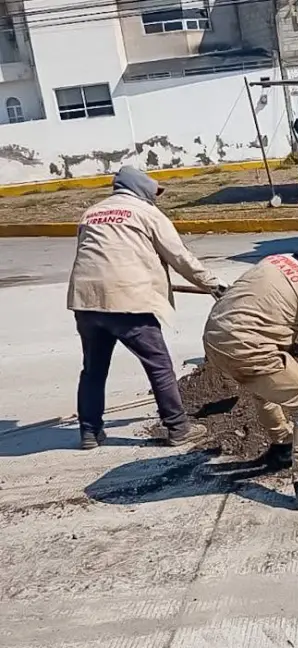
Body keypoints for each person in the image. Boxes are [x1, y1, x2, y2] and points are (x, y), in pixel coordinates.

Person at [67, 167, 227, 451]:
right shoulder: (147, 213)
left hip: (87, 302)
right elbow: (180, 257)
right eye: (154, 192)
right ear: (140, 188)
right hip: (129, 301)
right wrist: (213, 284)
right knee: (159, 366)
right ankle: (179, 428)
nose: (156, 198)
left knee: (93, 370)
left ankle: (89, 432)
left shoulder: (91, 213)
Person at [202, 231, 298, 511]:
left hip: (215, 338)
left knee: (266, 387)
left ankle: (282, 445)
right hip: (247, 346)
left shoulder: (277, 260)